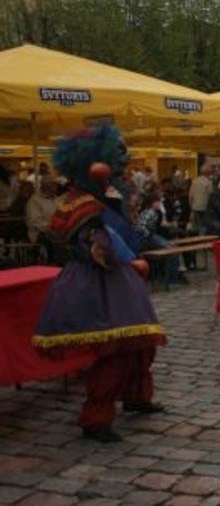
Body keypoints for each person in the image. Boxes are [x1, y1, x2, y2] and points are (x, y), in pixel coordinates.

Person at [32, 126, 166, 443]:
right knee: (113, 351)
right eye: (117, 156)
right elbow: (93, 247)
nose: (124, 162)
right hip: (97, 283)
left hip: (119, 280)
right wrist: (126, 259)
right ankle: (96, 418)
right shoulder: (78, 203)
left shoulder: (104, 194)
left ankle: (137, 396)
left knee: (141, 344)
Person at [188, 164, 214, 234]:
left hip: (195, 206)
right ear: (208, 172)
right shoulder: (209, 182)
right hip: (205, 206)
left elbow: (191, 194)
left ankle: (197, 237)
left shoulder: (195, 181)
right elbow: (211, 195)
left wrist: (191, 205)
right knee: (204, 224)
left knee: (197, 224)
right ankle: (202, 237)